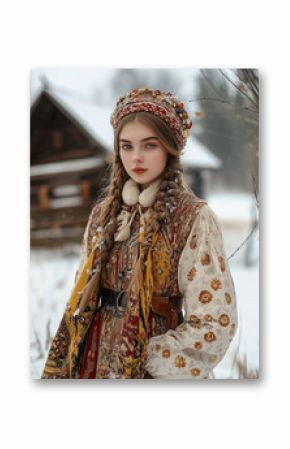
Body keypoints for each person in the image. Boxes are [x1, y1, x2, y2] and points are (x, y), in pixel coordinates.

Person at [41, 87, 238, 379]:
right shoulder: (103, 214)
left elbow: (215, 320)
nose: (136, 158)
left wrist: (152, 358)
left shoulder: (192, 217)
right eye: (126, 146)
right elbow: (82, 291)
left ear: (170, 148)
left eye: (149, 145)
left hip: (151, 361)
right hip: (93, 357)